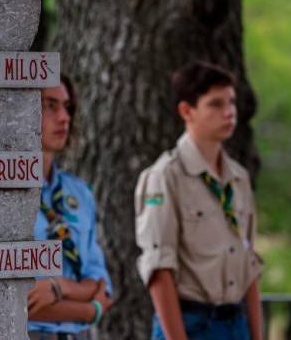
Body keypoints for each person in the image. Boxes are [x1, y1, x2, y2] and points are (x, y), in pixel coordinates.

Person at [135, 62, 264, 340]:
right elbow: (159, 269)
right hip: (192, 325)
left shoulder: (237, 179)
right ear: (187, 111)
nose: (229, 112)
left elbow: (249, 265)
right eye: (215, 104)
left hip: (235, 323)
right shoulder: (166, 177)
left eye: (231, 102)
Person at [27, 75, 114, 340]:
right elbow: (19, 304)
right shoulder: (2, 194)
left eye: (67, 107)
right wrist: (89, 310)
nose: (64, 117)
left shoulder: (79, 193)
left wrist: (58, 286)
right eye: (50, 106)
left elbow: (102, 286)